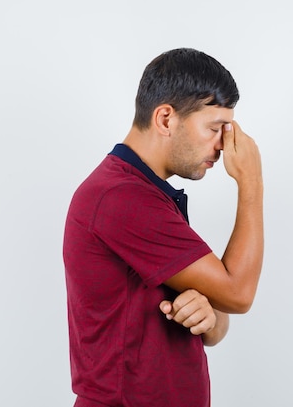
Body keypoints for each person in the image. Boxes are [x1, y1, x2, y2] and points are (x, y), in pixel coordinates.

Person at [63, 47, 264, 407]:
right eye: (215, 128)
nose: (223, 146)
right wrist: (251, 183)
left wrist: (208, 312)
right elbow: (238, 294)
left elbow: (217, 324)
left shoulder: (148, 193)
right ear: (166, 119)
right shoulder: (121, 197)